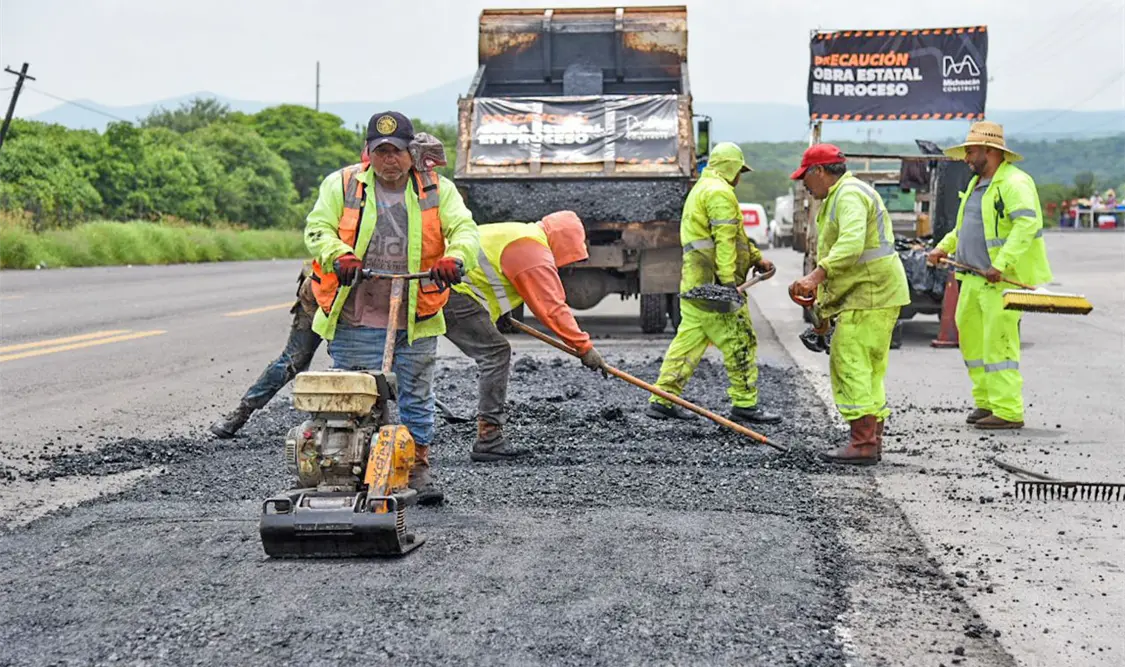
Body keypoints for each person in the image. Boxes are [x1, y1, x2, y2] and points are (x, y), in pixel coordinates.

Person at [305, 111, 480, 505]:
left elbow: (464, 230)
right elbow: (317, 228)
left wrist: (456, 258)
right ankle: (345, 466)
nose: (389, 160)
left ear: (411, 153)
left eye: (396, 151)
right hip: (357, 313)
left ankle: (417, 466)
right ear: (369, 152)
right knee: (353, 398)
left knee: (416, 395)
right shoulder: (344, 184)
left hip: (415, 314)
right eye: (380, 151)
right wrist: (339, 254)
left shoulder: (438, 189)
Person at [443, 211, 608, 462]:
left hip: (440, 285)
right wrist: (584, 348)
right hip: (449, 291)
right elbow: (551, 308)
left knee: (408, 353)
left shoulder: (519, 232)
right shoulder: (531, 250)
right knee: (496, 353)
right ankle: (489, 438)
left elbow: (490, 276)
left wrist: (498, 314)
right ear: (565, 243)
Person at [788, 144, 910, 465]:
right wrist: (823, 314)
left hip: (869, 294)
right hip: (873, 293)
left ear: (819, 172)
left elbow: (852, 245)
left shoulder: (849, 195)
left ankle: (863, 442)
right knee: (868, 369)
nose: (803, 184)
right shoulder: (841, 196)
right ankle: (870, 438)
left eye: (805, 177)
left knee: (849, 362)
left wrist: (814, 277)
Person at [927, 121, 1052, 430]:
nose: (966, 157)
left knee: (999, 346)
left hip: (999, 283)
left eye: (970, 151)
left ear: (990, 151)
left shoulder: (1014, 183)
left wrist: (1002, 263)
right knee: (973, 344)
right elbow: (965, 227)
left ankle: (1008, 410)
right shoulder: (978, 184)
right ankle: (986, 402)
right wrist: (943, 248)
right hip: (971, 279)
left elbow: (1026, 226)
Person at [645, 142, 780, 425]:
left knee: (688, 341)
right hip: (713, 285)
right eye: (739, 170)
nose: (740, 177)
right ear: (731, 167)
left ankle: (663, 398)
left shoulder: (701, 189)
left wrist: (756, 258)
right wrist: (728, 283)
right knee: (740, 340)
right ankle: (745, 404)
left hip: (694, 282)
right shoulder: (720, 193)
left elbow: (736, 237)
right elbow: (726, 241)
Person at [209, 265, 322, 438]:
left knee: (355, 366)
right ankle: (241, 413)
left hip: (363, 303)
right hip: (319, 294)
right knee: (293, 360)